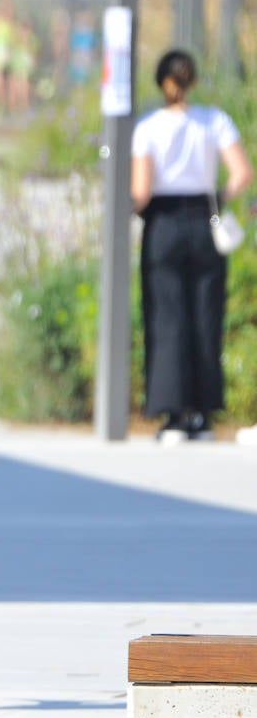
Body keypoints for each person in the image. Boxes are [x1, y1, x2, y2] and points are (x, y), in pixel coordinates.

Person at [131, 49, 252, 443]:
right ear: (193, 80)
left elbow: (142, 190)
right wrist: (220, 196)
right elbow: (241, 172)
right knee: (205, 313)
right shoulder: (213, 120)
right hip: (205, 218)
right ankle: (202, 413)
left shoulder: (148, 127)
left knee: (166, 317)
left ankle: (172, 413)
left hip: (164, 223)